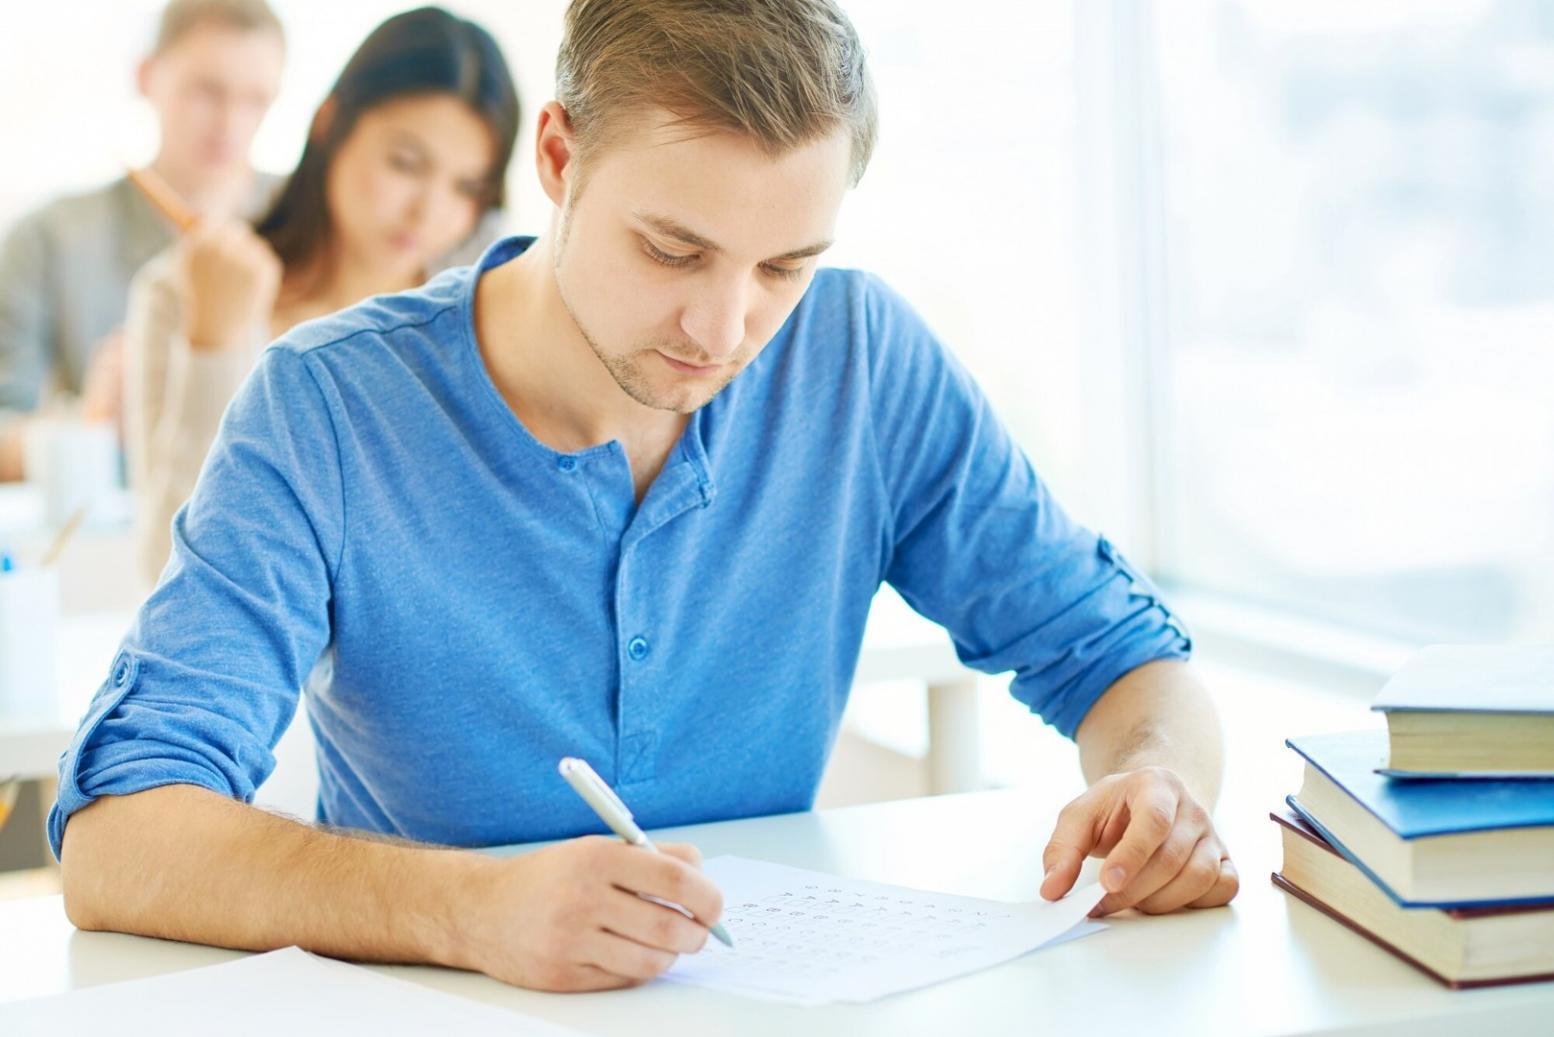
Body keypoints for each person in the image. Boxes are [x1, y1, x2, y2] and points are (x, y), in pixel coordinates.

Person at [52, 0, 1238, 995]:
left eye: (784, 266)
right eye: (675, 250)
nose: (725, 331)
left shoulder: (860, 359)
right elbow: (119, 837)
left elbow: (1124, 657)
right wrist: (466, 910)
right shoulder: (327, 404)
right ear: (559, 159)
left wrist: (1160, 784)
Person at [122, 6, 521, 585]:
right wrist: (216, 344)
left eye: (466, 187)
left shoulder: (477, 311)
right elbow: (166, 572)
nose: (429, 212)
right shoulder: (181, 292)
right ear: (329, 124)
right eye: (406, 163)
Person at [0, 0, 286, 482]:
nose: (230, 123)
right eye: (206, 91)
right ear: (146, 77)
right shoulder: (49, 238)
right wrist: (88, 425)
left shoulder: (307, 224)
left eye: (256, 99)